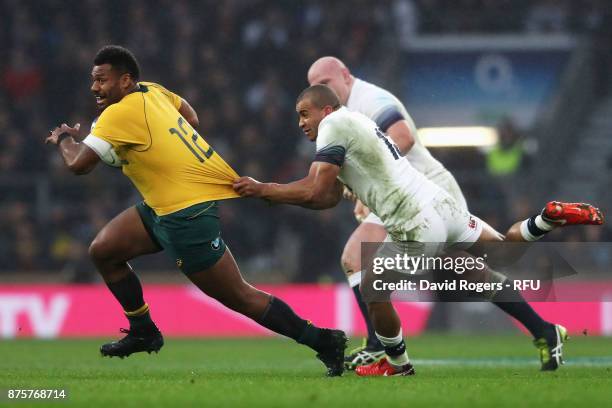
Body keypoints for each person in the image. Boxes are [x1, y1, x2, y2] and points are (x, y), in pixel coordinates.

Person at [233, 85, 604, 376]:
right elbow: (324, 198)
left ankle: (396, 363)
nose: (300, 123)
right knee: (504, 251)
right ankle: (547, 220)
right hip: (441, 203)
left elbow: (314, 189)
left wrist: (264, 189)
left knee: (372, 285)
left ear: (326, 107)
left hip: (414, 219)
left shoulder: (335, 123)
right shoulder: (357, 121)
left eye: (304, 114)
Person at [44, 45, 347, 377]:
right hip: (161, 206)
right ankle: (143, 330)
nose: (94, 88)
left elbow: (78, 165)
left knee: (241, 297)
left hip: (185, 217)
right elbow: (191, 117)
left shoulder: (119, 115)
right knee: (104, 250)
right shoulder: (153, 91)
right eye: (93, 80)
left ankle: (324, 341)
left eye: (101, 80)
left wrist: (64, 139)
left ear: (126, 80)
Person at [307, 56, 468, 368]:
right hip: (396, 196)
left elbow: (403, 137)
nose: (321, 91)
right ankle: (377, 342)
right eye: (315, 88)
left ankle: (543, 328)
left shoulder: (371, 99)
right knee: (354, 257)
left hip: (428, 190)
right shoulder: (339, 117)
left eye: (325, 84)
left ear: (345, 75)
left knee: (470, 272)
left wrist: (369, 181)